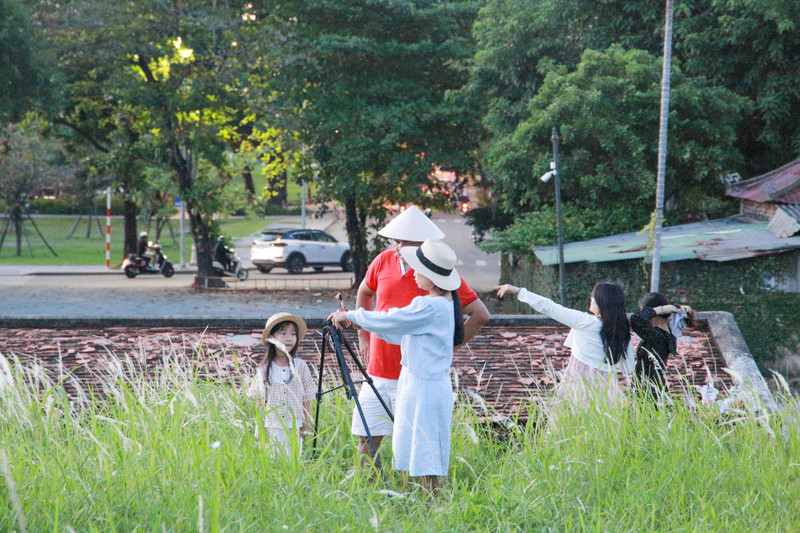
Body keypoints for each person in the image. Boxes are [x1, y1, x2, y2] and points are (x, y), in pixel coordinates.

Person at [352, 206, 489, 460]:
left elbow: (479, 313)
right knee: (366, 436)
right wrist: (363, 336)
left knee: (412, 446)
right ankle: (368, 493)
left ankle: (412, 495)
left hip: (415, 375)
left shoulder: (438, 274)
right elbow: (364, 292)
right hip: (378, 368)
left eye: (405, 242)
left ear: (423, 244)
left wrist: (447, 349)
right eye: (397, 240)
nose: (398, 246)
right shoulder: (383, 260)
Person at [330, 239, 464, 495]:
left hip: (425, 387)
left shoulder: (430, 306)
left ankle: (432, 503)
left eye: (418, 270)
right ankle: (424, 502)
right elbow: (400, 331)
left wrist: (352, 316)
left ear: (432, 276)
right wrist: (364, 324)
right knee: (419, 445)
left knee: (426, 449)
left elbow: (394, 319)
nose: (414, 274)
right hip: (419, 384)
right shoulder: (437, 304)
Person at [496, 282, 634, 404]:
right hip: (608, 389)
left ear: (602, 302)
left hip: (579, 384)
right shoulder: (623, 330)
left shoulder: (586, 322)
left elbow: (550, 307)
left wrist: (519, 291)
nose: (591, 299)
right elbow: (627, 369)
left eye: (594, 296)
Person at [246, 312, 316, 456]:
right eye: (283, 333)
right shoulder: (264, 369)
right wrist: (261, 428)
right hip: (271, 426)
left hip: (294, 426)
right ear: (272, 338)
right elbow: (260, 403)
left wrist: (306, 424)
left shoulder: (300, 366)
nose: (289, 338)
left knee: (293, 463)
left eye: (293, 334)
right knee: (272, 462)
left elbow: (306, 399)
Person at [630, 292, 695, 400]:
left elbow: (636, 319)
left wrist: (661, 309)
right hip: (654, 386)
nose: (644, 314)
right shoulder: (667, 332)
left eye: (644, 310)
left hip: (647, 390)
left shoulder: (657, 336)